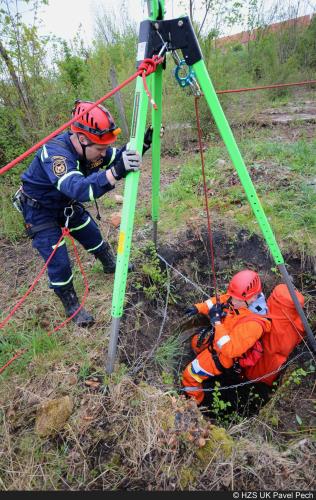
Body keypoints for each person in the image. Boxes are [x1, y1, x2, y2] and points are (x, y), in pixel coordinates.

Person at [14, 100, 153, 328]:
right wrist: (116, 172)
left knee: (90, 232)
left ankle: (110, 263)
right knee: (58, 261)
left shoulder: (93, 148)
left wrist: (140, 148)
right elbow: (77, 187)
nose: (103, 153)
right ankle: (72, 305)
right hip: (39, 210)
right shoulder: (55, 153)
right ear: (81, 138)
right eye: (99, 148)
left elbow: (117, 159)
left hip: (64, 204)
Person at [182, 269, 272, 405]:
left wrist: (217, 323)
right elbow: (221, 300)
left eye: (237, 300)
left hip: (223, 356)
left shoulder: (254, 324)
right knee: (195, 343)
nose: (232, 302)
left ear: (252, 298)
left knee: (190, 375)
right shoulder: (240, 299)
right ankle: (202, 366)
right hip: (219, 337)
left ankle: (193, 404)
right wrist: (199, 308)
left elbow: (230, 349)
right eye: (232, 297)